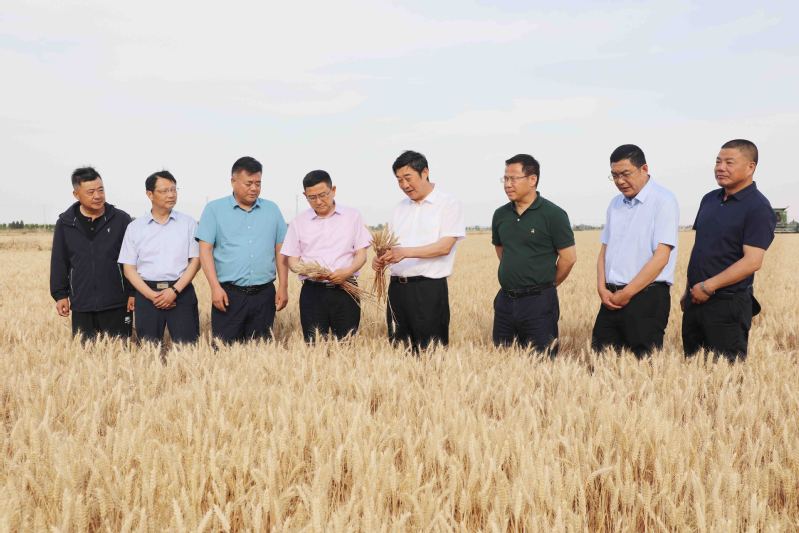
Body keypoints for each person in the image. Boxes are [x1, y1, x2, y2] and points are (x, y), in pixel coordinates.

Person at [682, 139, 776, 361]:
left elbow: (752, 261)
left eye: (729, 162)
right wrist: (689, 290)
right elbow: (701, 248)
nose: (720, 167)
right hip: (695, 300)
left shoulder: (758, 207)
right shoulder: (709, 199)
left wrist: (708, 286)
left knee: (726, 374)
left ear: (750, 167)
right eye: (718, 161)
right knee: (691, 369)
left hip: (728, 304)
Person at [591, 145, 679, 358]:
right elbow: (604, 250)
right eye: (614, 176)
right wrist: (602, 288)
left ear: (644, 169)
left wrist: (627, 293)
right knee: (599, 361)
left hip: (646, 297)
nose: (620, 181)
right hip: (611, 297)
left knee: (644, 364)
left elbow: (661, 257)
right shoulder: (615, 204)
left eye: (625, 174)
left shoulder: (663, 201)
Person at [373, 150, 465, 351]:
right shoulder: (399, 208)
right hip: (396, 289)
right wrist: (381, 259)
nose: (404, 185)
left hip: (428, 289)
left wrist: (404, 252)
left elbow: (444, 247)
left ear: (425, 172)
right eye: (399, 180)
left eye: (408, 178)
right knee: (399, 352)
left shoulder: (448, 204)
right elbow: (391, 246)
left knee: (431, 352)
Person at [196, 156, 288, 343]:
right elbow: (205, 251)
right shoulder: (214, 210)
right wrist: (215, 288)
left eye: (258, 183)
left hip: (264, 295)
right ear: (233, 181)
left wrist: (283, 287)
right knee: (224, 350)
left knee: (261, 350)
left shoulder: (272, 210)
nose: (254, 188)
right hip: (228, 294)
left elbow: (281, 250)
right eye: (248, 183)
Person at [491, 154, 576, 355]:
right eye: (505, 179)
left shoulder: (553, 214)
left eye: (513, 179)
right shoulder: (500, 214)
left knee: (542, 361)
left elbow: (569, 258)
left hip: (539, 302)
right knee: (503, 361)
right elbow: (502, 251)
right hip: (505, 300)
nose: (507, 184)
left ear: (532, 179)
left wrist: (545, 284)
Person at [280, 170, 372, 342]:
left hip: (346, 289)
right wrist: (309, 271)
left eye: (323, 195)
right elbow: (292, 260)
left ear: (333, 190)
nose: (318, 201)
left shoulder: (352, 216)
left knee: (347, 344)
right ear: (305, 195)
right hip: (312, 291)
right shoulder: (298, 222)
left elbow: (362, 255)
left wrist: (347, 272)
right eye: (312, 197)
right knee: (313, 345)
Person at [50, 167, 134, 340]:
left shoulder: (121, 220)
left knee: (120, 352)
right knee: (85, 354)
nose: (98, 196)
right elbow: (59, 261)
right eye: (91, 192)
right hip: (82, 304)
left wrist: (133, 293)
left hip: (117, 303)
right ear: (76, 194)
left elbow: (133, 260)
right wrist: (60, 295)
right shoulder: (65, 223)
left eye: (101, 190)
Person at [118, 171, 201, 344]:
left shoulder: (189, 223)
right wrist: (152, 296)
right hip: (146, 294)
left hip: (181, 293)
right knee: (148, 350)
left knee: (188, 349)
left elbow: (196, 261)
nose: (171, 195)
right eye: (164, 191)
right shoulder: (135, 227)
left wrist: (174, 291)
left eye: (173, 189)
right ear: (150, 194)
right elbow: (129, 268)